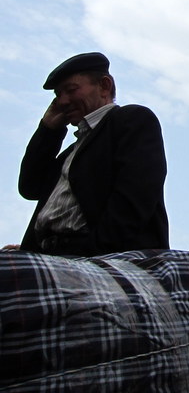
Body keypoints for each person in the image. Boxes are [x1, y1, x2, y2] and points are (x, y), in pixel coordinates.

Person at [13, 52, 169, 256]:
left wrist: (89, 255)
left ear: (104, 86)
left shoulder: (131, 121)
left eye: (70, 90)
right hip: (51, 255)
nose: (62, 101)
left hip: (102, 257)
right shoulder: (70, 153)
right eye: (57, 95)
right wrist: (48, 131)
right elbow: (30, 187)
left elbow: (133, 201)